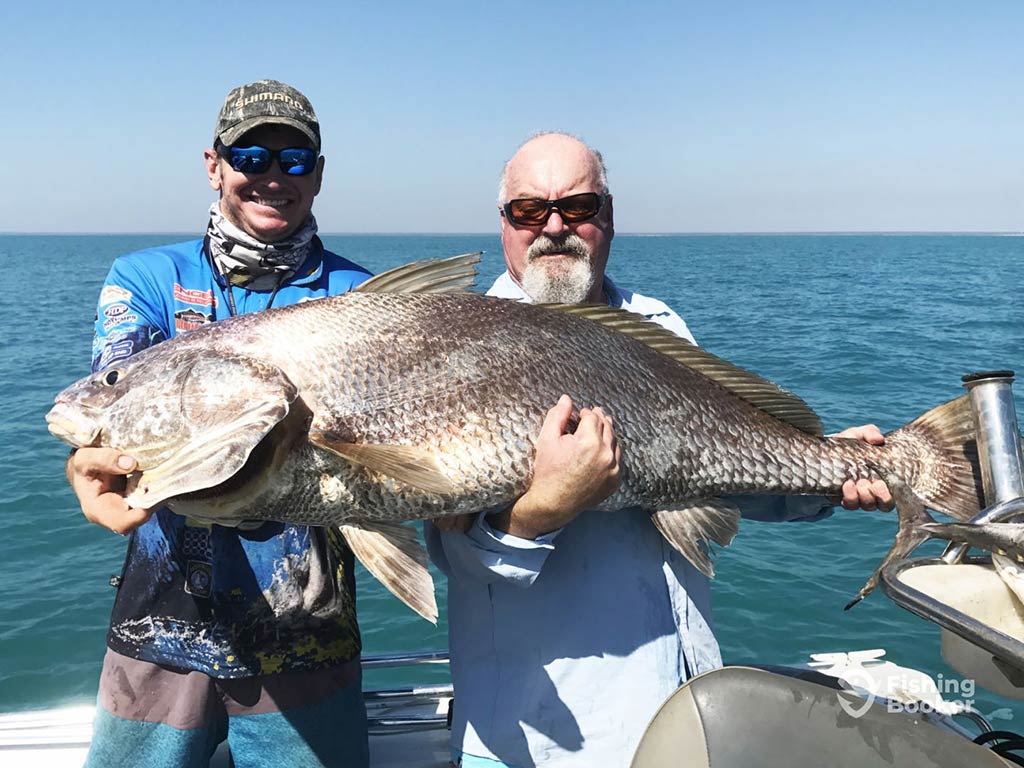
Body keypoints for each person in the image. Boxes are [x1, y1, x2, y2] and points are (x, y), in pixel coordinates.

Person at [425, 131, 892, 768]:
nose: (555, 227)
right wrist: (544, 510)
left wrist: (827, 478)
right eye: (530, 211)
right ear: (505, 225)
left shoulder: (658, 323)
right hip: (538, 740)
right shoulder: (462, 346)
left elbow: (719, 475)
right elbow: (453, 556)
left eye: (579, 207)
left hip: (684, 716)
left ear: (608, 216)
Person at [66, 80, 372, 768]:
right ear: (215, 164)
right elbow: (118, 407)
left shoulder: (358, 298)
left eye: (295, 161)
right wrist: (84, 464)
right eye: (252, 156)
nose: (272, 177)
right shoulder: (145, 278)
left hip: (309, 641)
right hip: (157, 636)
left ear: (318, 175)